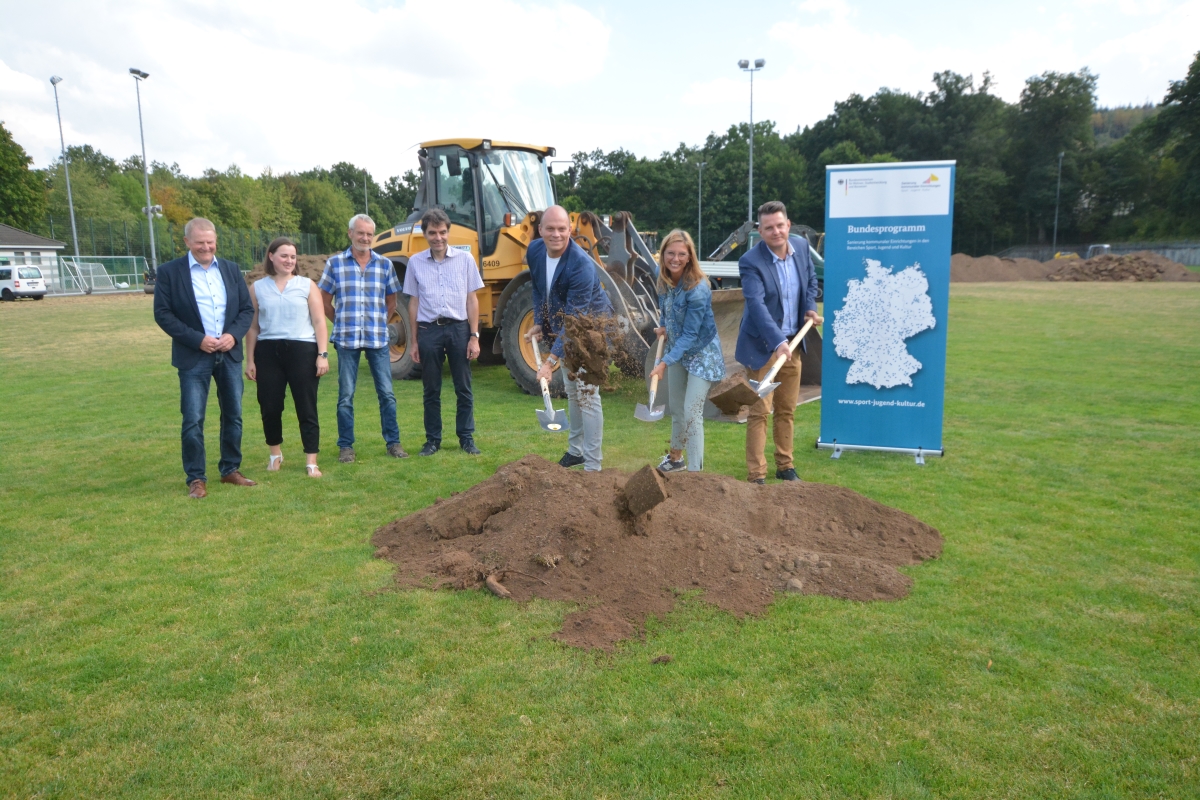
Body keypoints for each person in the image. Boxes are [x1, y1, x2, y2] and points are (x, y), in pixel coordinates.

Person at [152, 217, 256, 498]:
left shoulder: (232, 270)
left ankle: (230, 470)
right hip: (193, 357)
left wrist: (233, 335)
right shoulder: (170, 272)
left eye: (210, 242)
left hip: (229, 354)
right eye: (200, 242)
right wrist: (198, 340)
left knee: (233, 415)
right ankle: (196, 478)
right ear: (187, 242)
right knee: (193, 419)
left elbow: (246, 310)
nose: (206, 247)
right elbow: (163, 314)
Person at [735, 200, 823, 484]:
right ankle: (756, 474)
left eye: (780, 225)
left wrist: (810, 306)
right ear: (760, 231)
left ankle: (785, 466)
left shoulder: (801, 250)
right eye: (769, 227)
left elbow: (811, 281)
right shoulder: (750, 261)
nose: (776, 232)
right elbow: (756, 305)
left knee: (786, 410)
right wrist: (776, 343)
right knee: (760, 411)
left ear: (788, 224)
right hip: (763, 348)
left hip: (793, 346)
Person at [527, 205, 613, 472]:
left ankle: (593, 464)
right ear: (540, 230)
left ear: (570, 230)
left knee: (587, 394)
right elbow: (540, 289)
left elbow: (575, 320)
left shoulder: (581, 266)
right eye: (550, 228)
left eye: (562, 229)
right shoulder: (535, 251)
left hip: (592, 329)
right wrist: (540, 322)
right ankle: (576, 451)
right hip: (566, 325)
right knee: (573, 393)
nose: (556, 234)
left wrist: (549, 362)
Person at [317, 214, 408, 463]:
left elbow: (392, 302)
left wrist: (378, 321)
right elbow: (323, 301)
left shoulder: (384, 265)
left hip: (377, 338)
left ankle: (394, 443)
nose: (365, 238)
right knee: (346, 395)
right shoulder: (335, 264)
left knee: (387, 394)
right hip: (346, 340)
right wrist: (341, 321)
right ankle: (346, 446)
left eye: (369, 234)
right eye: (360, 233)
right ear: (350, 234)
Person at [244, 237, 330, 477]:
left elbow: (319, 321)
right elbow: (252, 327)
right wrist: (250, 360)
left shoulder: (307, 285)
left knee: (306, 406)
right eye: (284, 256)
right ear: (271, 256)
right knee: (270, 407)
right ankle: (275, 454)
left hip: (303, 350)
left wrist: (322, 354)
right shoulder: (258, 287)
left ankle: (311, 460)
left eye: (293, 256)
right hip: (268, 352)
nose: (289, 261)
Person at [404, 208, 485, 456]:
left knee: (463, 387)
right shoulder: (415, 263)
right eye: (432, 233)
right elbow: (413, 304)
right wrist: (414, 342)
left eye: (442, 232)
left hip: (459, 329)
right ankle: (432, 441)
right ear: (424, 233)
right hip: (429, 331)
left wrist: (474, 336)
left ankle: (466, 438)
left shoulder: (465, 260)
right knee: (431, 389)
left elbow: (472, 300)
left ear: (448, 232)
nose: (438, 237)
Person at [648, 230, 725, 473]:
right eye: (671, 253)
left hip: (701, 352)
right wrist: (663, 326)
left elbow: (691, 334)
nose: (676, 258)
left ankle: (696, 473)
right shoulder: (663, 281)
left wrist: (662, 363)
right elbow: (666, 310)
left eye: (682, 254)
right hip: (677, 349)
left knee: (692, 412)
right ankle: (676, 459)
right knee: (677, 408)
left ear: (690, 256)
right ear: (663, 255)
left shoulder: (698, 288)